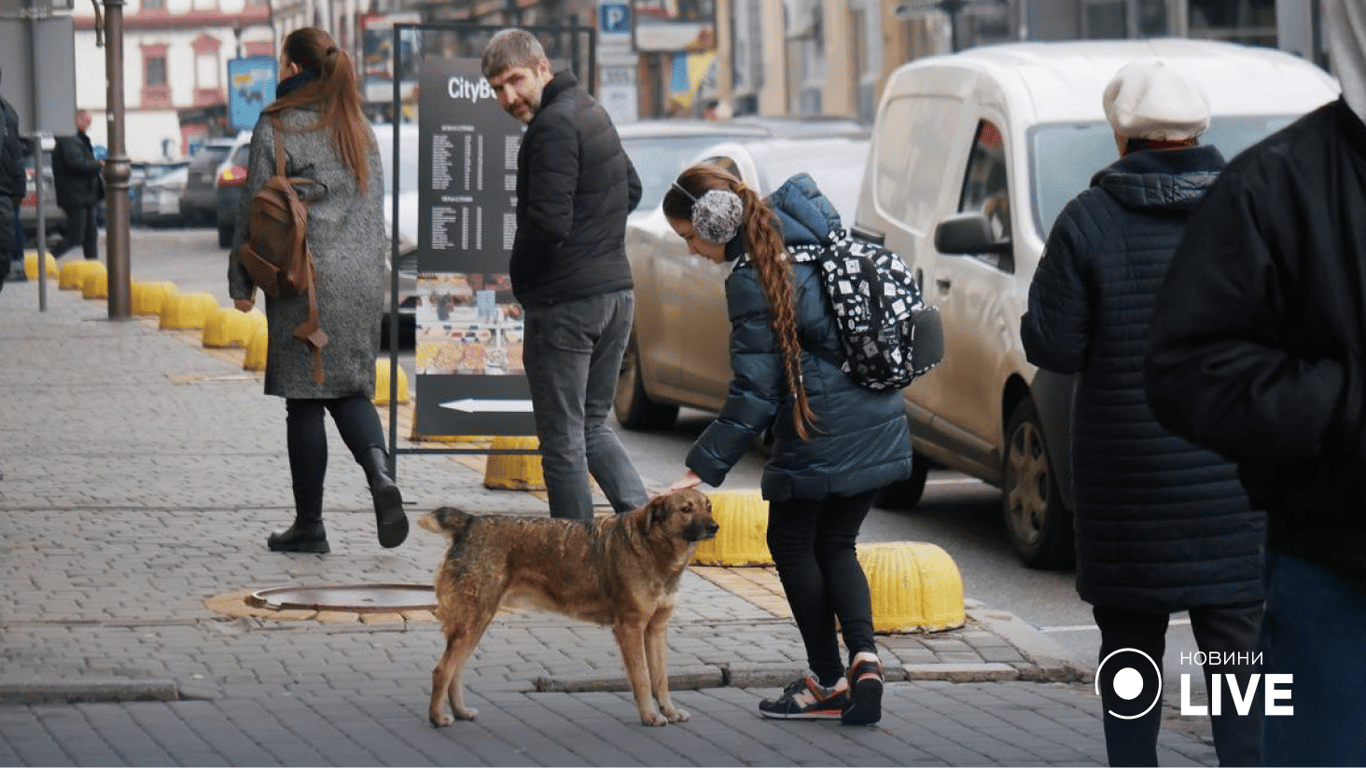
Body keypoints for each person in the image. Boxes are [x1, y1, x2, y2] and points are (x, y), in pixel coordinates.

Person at [1020, 60, 1265, 768]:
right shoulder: (1250, 212)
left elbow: (1055, 348)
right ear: (1199, 133)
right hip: (1234, 481)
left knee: (1130, 654)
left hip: (1127, 484)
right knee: (1240, 660)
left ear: (1122, 140)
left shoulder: (1086, 220)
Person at [1143, 2, 1366, 764]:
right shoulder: (1274, 185)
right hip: (1336, 571)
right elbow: (1184, 365)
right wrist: (1344, 405)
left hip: (1161, 514)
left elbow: (1054, 336)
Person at [663, 164, 912, 726]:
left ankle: (826, 678)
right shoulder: (818, 236)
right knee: (837, 543)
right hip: (879, 415)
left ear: (713, 223)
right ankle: (865, 664)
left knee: (793, 539)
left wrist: (701, 467)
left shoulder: (754, 276)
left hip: (821, 429)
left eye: (688, 238)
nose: (692, 251)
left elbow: (754, 392)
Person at [228, 26, 407, 555]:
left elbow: (253, 210)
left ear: (291, 68)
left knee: (303, 402)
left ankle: (310, 525)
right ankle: (380, 476)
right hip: (358, 281)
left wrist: (242, 282)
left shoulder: (278, 125)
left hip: (301, 279)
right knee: (350, 389)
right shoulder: (359, 126)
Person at [480, 29, 649, 524]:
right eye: (497, 88)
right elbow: (630, 187)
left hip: (566, 305)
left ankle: (574, 562)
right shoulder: (591, 110)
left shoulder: (551, 126)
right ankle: (648, 530)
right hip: (615, 294)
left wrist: (522, 278)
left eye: (514, 80)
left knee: (562, 441)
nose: (508, 97)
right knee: (592, 427)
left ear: (541, 67)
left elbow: (549, 224)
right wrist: (594, 238)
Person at [50, 109, 103, 261]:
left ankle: (93, 267)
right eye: (86, 121)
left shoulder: (77, 139)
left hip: (85, 196)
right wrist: (98, 164)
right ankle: (47, 260)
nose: (88, 125)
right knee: (76, 237)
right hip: (75, 196)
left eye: (89, 122)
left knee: (91, 236)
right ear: (76, 119)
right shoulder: (69, 139)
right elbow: (76, 163)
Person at [0, 65, 26, 291]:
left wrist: (19, 189)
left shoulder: (8, 112)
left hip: (5, 192)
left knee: (3, 249)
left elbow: (16, 152)